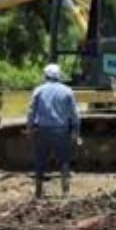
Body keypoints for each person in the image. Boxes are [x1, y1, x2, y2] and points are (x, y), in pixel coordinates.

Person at [27, 63, 80, 198]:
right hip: (61, 130)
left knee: (40, 161)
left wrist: (30, 128)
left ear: (46, 76)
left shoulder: (38, 90)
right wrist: (75, 131)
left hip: (43, 130)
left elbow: (31, 112)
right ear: (59, 76)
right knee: (64, 160)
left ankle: (38, 192)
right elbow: (74, 114)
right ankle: (66, 192)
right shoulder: (68, 91)